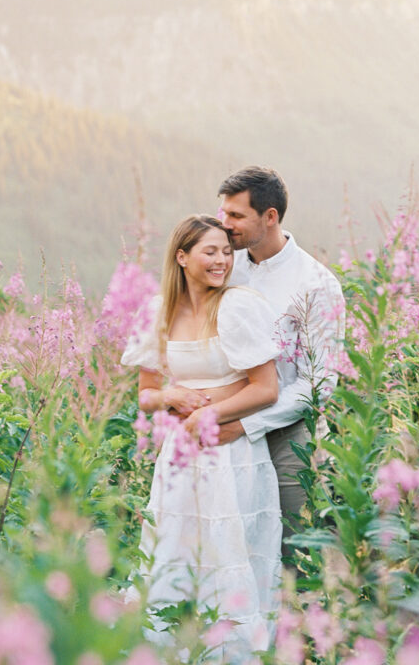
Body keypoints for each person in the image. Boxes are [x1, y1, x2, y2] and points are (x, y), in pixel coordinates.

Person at [121, 214, 282, 658]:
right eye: (210, 251)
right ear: (182, 256)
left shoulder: (237, 306)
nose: (222, 261)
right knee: (176, 551)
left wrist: (207, 415)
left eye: (227, 252)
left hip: (233, 454)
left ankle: (235, 652)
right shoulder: (158, 312)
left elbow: (266, 389)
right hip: (181, 459)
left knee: (232, 552)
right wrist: (172, 393)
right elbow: (147, 396)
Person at [217, 167, 345, 555]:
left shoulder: (315, 283)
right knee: (232, 543)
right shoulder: (226, 266)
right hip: (225, 421)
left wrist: (247, 423)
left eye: (236, 216)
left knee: (293, 546)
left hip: (288, 436)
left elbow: (320, 383)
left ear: (269, 217)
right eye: (223, 213)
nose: (225, 224)